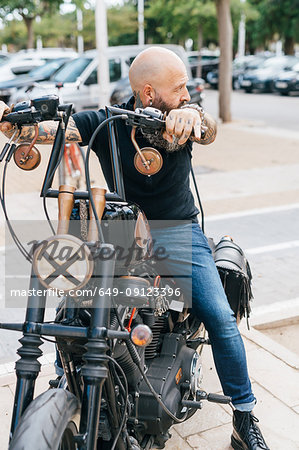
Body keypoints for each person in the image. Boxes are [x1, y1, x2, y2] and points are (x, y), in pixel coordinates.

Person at [0, 46, 269, 450]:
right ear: (147, 92)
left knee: (220, 317)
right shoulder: (107, 123)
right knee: (75, 306)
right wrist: (13, 124)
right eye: (177, 88)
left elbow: (206, 127)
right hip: (124, 231)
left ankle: (245, 416)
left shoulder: (182, 120)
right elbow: (52, 132)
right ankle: (66, 382)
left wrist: (192, 114)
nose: (184, 94)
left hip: (178, 230)